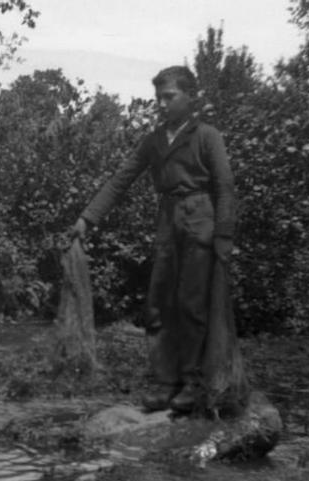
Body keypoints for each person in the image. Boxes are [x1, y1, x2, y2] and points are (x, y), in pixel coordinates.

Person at [71, 65, 246, 416]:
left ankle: (192, 383)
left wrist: (224, 235)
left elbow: (225, 187)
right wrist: (86, 218)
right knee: (158, 304)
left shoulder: (207, 136)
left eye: (170, 97)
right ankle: (166, 383)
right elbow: (121, 179)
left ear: (190, 98)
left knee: (191, 304)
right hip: (167, 223)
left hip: (201, 222)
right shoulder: (153, 140)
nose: (162, 104)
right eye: (158, 99)